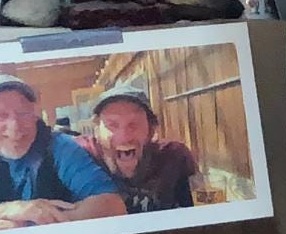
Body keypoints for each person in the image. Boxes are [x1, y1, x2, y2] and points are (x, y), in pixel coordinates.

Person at [0, 74, 123, 234]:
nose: (15, 126)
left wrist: (26, 229)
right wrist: (7, 210)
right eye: (1, 115)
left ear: (35, 114)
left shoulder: (59, 147)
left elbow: (112, 205)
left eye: (23, 113)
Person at [80, 83, 202, 212]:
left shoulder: (175, 158)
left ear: (151, 130)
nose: (124, 137)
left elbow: (198, 213)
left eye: (134, 124)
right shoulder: (80, 156)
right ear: (97, 131)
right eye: (112, 125)